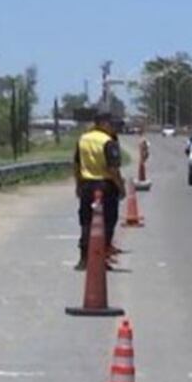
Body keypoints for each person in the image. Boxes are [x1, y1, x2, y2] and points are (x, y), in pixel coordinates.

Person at [74, 112, 124, 270]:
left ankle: (84, 259)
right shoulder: (108, 141)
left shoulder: (83, 139)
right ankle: (100, 258)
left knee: (86, 222)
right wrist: (121, 187)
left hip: (86, 185)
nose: (114, 128)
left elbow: (76, 164)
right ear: (103, 124)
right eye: (112, 124)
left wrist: (78, 184)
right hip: (106, 186)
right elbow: (113, 169)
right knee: (108, 223)